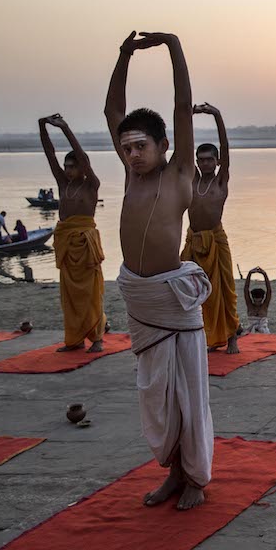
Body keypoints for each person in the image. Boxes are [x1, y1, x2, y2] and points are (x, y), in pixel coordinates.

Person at [105, 30, 213, 511]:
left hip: (173, 299)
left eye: (141, 146)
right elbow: (113, 110)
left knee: (188, 395)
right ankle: (172, 471)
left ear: (165, 145)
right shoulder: (131, 174)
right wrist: (124, 55)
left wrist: (173, 47)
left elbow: (182, 103)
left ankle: (194, 478)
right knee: (156, 395)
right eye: (126, 148)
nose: (132, 154)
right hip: (140, 299)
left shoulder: (180, 173)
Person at [39, 114, 106, 353]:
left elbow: (83, 158)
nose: (67, 170)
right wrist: (42, 126)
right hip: (66, 244)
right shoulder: (63, 184)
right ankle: (75, 339)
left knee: (90, 294)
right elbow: (49, 154)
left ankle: (97, 338)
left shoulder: (91, 185)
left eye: (72, 166)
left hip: (85, 245)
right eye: (66, 166)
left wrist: (66, 129)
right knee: (69, 296)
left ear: (81, 167)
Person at [180, 102, 240, 354]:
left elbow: (225, 147)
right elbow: (184, 147)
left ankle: (232, 337)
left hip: (216, 238)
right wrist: (188, 119)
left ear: (216, 162)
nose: (205, 163)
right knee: (194, 288)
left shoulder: (220, 180)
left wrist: (216, 114)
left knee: (224, 288)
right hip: (194, 239)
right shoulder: (192, 179)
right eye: (201, 160)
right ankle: (204, 336)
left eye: (209, 160)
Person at [242, 267, 273, 334]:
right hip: (251, 330)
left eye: (259, 301)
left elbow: (269, 291)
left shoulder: (264, 306)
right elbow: (246, 290)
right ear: (253, 299)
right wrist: (249, 274)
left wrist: (264, 274)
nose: (257, 303)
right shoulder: (250, 305)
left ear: (262, 299)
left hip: (263, 330)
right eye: (255, 301)